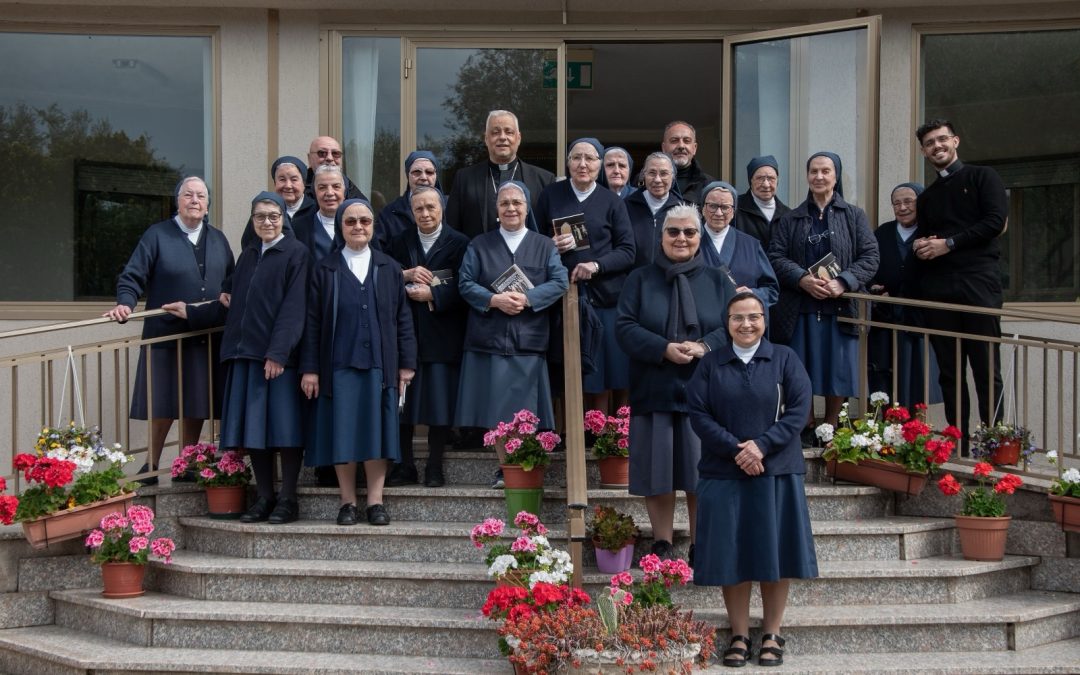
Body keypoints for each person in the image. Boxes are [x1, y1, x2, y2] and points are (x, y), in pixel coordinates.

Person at [687, 291, 818, 668]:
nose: (746, 324)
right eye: (738, 318)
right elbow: (699, 413)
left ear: (765, 320)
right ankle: (740, 633)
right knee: (733, 555)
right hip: (723, 472)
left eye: (754, 317)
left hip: (776, 472)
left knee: (775, 554)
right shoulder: (711, 364)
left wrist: (761, 447)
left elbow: (798, 411)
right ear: (726, 323)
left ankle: (773, 633)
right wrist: (736, 450)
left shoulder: (785, 359)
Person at [164, 192, 309, 524]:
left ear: (283, 219)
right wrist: (192, 313)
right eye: (260, 216)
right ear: (252, 220)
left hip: (275, 359)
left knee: (284, 430)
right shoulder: (248, 256)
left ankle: (288, 498)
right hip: (243, 356)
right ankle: (265, 497)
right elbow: (230, 304)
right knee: (253, 433)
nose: (267, 222)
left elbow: (295, 309)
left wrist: (278, 353)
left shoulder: (296, 254)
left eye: (273, 216)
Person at [616, 204, 736, 561]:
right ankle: (663, 543)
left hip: (705, 395)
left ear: (700, 237)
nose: (681, 238)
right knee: (658, 474)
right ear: (661, 236)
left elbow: (734, 326)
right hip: (654, 389)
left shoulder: (718, 280)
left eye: (689, 232)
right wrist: (663, 348)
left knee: (703, 474)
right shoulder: (639, 279)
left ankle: (702, 545)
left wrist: (705, 346)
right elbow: (624, 328)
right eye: (673, 232)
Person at [105, 176, 235, 485]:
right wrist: (125, 303)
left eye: (200, 195)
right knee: (162, 401)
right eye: (187, 194)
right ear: (176, 201)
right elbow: (132, 275)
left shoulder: (218, 239)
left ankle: (187, 463)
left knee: (197, 400)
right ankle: (151, 464)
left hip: (205, 334)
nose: (194, 200)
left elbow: (231, 282)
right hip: (165, 334)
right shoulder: (157, 235)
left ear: (207, 204)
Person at [300, 199, 417, 526]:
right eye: (350, 221)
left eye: (364, 221)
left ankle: (375, 502)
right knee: (344, 432)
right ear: (341, 227)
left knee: (378, 433)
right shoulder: (325, 268)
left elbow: (402, 318)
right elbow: (312, 323)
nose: (358, 227)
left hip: (381, 364)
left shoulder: (389, 268)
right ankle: (348, 502)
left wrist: (407, 362)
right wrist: (310, 368)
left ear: (372, 226)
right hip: (338, 364)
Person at [455, 181, 569, 488]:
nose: (511, 208)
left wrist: (528, 299)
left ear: (526, 207)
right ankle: (505, 466)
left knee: (526, 408)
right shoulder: (479, 245)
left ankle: (524, 464)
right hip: (490, 337)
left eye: (517, 203)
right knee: (498, 408)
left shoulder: (544, 245)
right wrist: (494, 300)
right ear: (496, 210)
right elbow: (465, 283)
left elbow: (560, 282)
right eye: (504, 203)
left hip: (528, 338)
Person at [767, 152, 878, 439]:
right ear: (807, 176)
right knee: (800, 368)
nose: (819, 177)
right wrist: (802, 279)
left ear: (836, 176)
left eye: (825, 171)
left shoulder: (854, 215)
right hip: (800, 307)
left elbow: (870, 256)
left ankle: (830, 426)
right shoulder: (791, 218)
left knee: (836, 369)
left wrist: (844, 281)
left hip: (841, 307)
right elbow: (776, 257)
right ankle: (803, 422)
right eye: (813, 171)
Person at [912, 119, 1008, 451]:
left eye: (942, 140)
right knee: (949, 374)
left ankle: (995, 447)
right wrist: (922, 247)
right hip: (939, 291)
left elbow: (995, 222)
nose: (937, 146)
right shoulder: (927, 198)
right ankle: (959, 444)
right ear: (923, 152)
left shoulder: (983, 177)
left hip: (978, 286)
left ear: (955, 141)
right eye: (929, 143)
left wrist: (948, 244)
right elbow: (927, 240)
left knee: (986, 369)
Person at [535, 138, 636, 413]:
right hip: (560, 297)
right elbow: (530, 238)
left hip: (603, 297)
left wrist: (597, 266)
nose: (583, 164)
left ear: (599, 165)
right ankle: (564, 433)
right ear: (567, 163)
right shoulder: (550, 195)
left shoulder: (612, 202)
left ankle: (604, 433)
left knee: (605, 367)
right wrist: (548, 244)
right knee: (564, 366)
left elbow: (628, 251)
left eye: (590, 159)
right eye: (576, 158)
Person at [386, 186, 470, 488]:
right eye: (419, 208)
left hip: (443, 334)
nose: (425, 213)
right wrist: (405, 274)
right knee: (403, 407)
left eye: (431, 207)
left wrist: (433, 294)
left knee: (439, 404)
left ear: (442, 208)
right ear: (411, 211)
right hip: (405, 334)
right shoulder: (399, 242)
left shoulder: (460, 243)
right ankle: (404, 465)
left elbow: (467, 285)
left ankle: (435, 466)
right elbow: (382, 276)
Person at [868, 182, 942, 408]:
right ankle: (882, 426)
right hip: (884, 316)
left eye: (908, 201)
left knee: (916, 374)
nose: (902, 207)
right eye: (897, 203)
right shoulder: (882, 232)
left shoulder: (932, 234)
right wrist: (873, 286)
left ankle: (914, 429)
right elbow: (869, 264)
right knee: (882, 370)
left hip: (917, 317)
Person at [445, 110, 555, 239]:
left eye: (509, 132)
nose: (502, 137)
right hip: (478, 257)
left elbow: (552, 230)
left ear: (518, 138)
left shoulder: (544, 180)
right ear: (486, 139)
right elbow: (451, 230)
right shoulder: (464, 179)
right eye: (495, 132)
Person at [698, 181, 779, 308]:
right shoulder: (689, 242)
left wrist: (752, 294)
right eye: (712, 206)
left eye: (725, 207)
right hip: (702, 321)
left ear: (733, 212)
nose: (719, 213)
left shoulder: (751, 245)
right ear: (703, 209)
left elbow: (771, 290)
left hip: (743, 321)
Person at [239, 156, 316, 249]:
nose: (288, 185)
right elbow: (248, 246)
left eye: (294, 179)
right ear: (275, 183)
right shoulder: (263, 212)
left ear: (304, 184)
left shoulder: (315, 210)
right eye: (282, 179)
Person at [375, 150, 443, 250]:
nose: (423, 177)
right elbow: (379, 253)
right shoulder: (388, 214)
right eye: (417, 172)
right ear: (408, 175)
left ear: (436, 176)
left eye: (429, 172)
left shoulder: (450, 207)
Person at [625, 152, 683, 268]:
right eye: (652, 173)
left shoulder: (682, 211)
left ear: (673, 177)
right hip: (633, 280)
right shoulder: (626, 207)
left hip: (669, 280)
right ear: (643, 175)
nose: (657, 179)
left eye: (664, 174)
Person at [735, 155, 791, 252]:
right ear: (750, 181)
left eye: (771, 178)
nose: (766, 184)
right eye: (760, 178)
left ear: (777, 181)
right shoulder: (735, 208)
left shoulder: (788, 215)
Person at [292, 164, 347, 263]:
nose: (330, 192)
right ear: (315, 192)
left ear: (344, 191)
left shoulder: (360, 224)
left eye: (336, 187)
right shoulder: (298, 227)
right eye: (322, 187)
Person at [661, 121, 714, 205]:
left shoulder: (709, 184)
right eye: (674, 141)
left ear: (694, 148)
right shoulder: (646, 181)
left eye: (687, 141)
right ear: (663, 148)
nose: (681, 146)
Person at [304, 136, 368, 201]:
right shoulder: (299, 186)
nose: (330, 158)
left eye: (335, 153)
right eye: (322, 153)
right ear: (309, 158)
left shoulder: (348, 186)